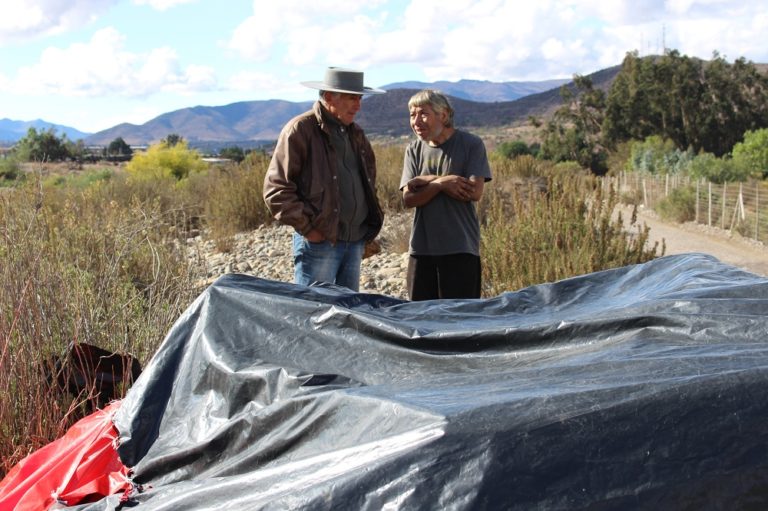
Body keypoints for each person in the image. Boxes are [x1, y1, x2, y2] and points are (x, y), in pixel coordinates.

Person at [263, 67, 385, 291]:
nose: (358, 105)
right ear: (329, 96)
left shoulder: (356, 134)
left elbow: (368, 182)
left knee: (348, 312)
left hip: (354, 241)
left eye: (359, 98)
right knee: (315, 311)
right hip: (320, 243)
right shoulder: (300, 130)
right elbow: (277, 189)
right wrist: (309, 229)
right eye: (351, 98)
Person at [399, 89, 492, 301]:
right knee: (420, 319)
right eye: (412, 115)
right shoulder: (413, 150)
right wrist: (441, 183)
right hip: (421, 249)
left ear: (443, 115)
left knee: (460, 321)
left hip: (460, 248)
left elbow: (473, 192)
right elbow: (408, 199)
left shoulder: (471, 144)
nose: (416, 121)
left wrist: (424, 182)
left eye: (423, 113)